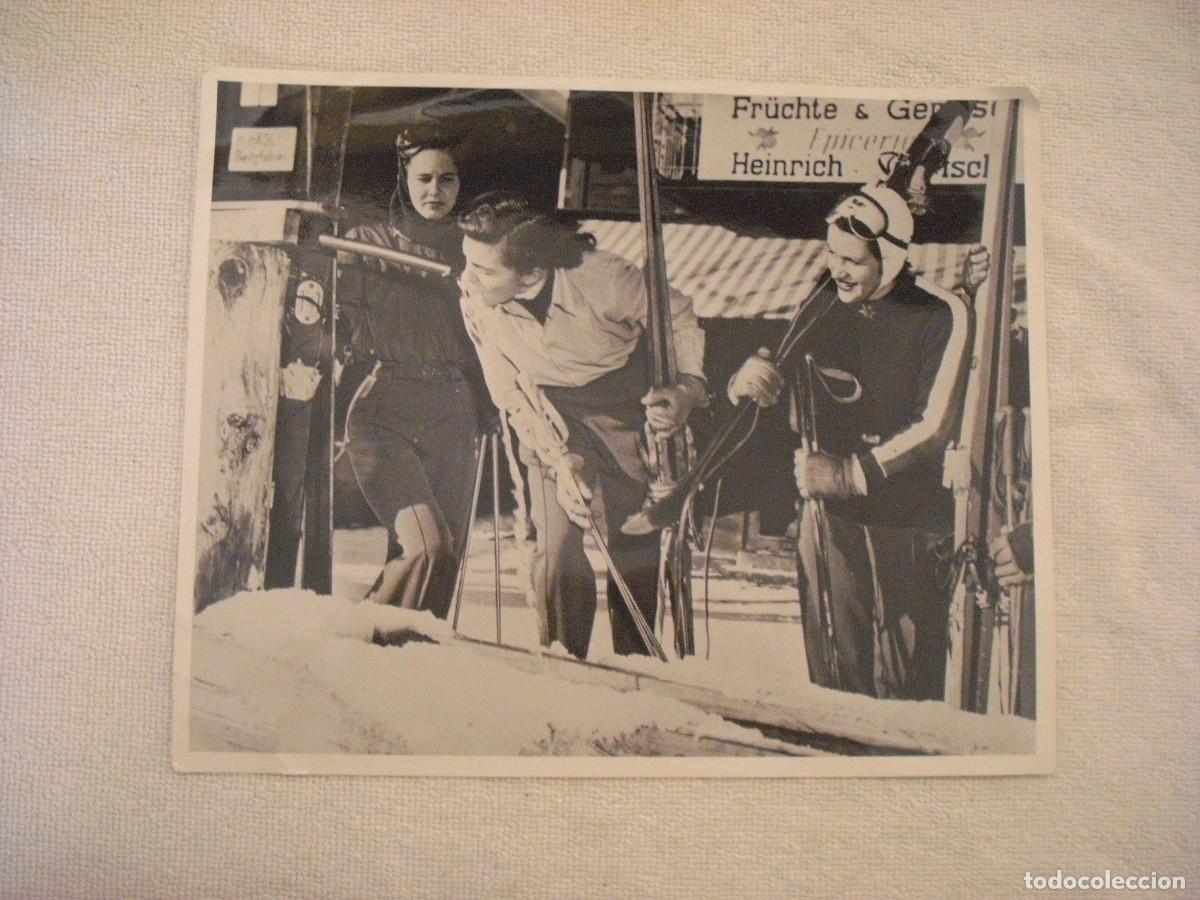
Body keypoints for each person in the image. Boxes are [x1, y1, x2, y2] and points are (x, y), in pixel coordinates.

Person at [728, 183, 971, 700]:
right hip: (831, 519)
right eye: (832, 254)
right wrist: (747, 375)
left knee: (906, 679)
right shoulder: (823, 300)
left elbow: (935, 424)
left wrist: (848, 474)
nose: (839, 269)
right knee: (836, 671)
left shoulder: (940, 311)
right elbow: (779, 362)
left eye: (854, 261)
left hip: (908, 517)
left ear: (891, 256)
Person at [456, 192, 707, 659]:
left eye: (486, 270)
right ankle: (561, 657)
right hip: (546, 410)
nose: (469, 278)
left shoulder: (605, 278)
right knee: (554, 546)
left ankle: (638, 661)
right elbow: (507, 389)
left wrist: (687, 386)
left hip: (621, 404)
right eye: (468, 263)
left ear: (532, 272)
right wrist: (557, 456)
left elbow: (676, 314)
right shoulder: (474, 293)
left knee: (632, 542)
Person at [337, 127, 486, 616]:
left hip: (455, 408)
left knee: (446, 559)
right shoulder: (367, 243)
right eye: (424, 179)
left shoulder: (477, 251)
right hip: (386, 405)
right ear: (404, 179)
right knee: (426, 546)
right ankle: (363, 635)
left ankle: (417, 663)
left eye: (447, 180)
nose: (435, 192)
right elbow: (335, 324)